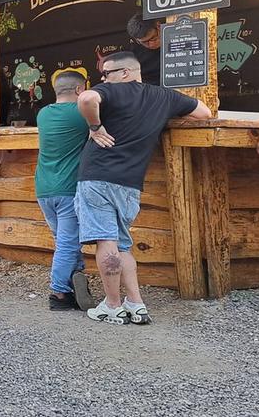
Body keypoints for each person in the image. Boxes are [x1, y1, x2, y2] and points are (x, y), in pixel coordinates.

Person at [76, 52, 211, 324]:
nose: (103, 80)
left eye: (107, 74)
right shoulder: (164, 97)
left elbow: (86, 98)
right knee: (123, 244)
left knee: (107, 241)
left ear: (125, 73)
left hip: (98, 176)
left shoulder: (112, 92)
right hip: (131, 182)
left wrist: (95, 127)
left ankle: (112, 305)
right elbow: (204, 113)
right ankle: (136, 304)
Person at [35, 71, 93, 312]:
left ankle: (75, 283)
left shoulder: (43, 113)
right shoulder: (80, 113)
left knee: (65, 241)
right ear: (80, 91)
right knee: (68, 244)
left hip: (43, 189)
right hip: (68, 188)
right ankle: (58, 293)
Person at [125, 14, 163, 86]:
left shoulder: (176, 39)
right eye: (144, 42)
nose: (151, 44)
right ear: (136, 40)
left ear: (159, 26)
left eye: (153, 38)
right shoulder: (132, 55)